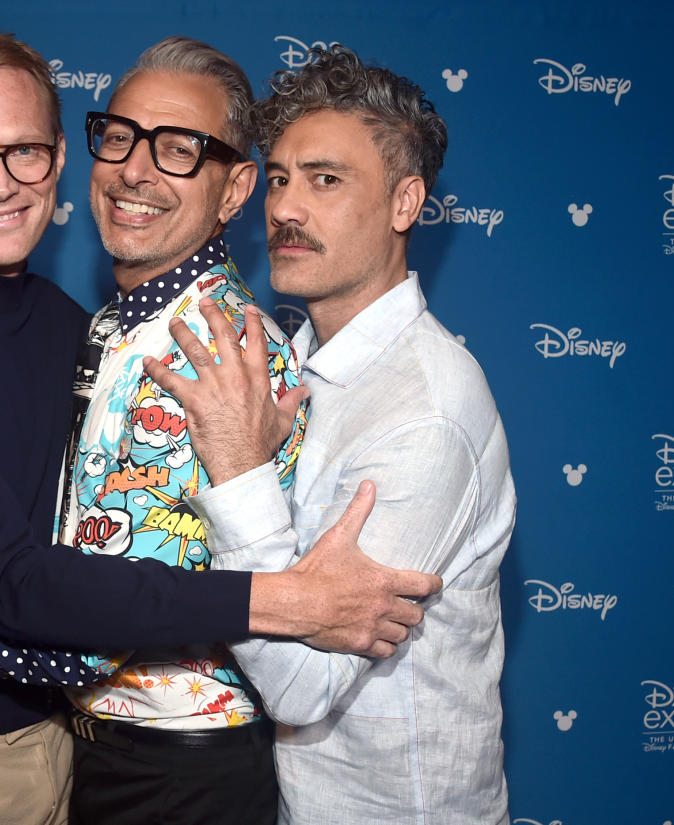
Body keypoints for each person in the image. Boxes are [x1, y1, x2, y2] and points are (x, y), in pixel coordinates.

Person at [0, 31, 440, 825]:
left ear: (233, 190)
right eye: (119, 139)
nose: (137, 169)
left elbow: (78, 633)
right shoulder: (99, 328)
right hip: (39, 753)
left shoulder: (217, 354)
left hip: (171, 772)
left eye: (181, 148)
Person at [147, 45, 516, 824]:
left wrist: (238, 466)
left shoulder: (426, 411)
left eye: (325, 179)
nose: (283, 207)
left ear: (404, 203)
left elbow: (302, 686)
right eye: (277, 178)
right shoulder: (289, 364)